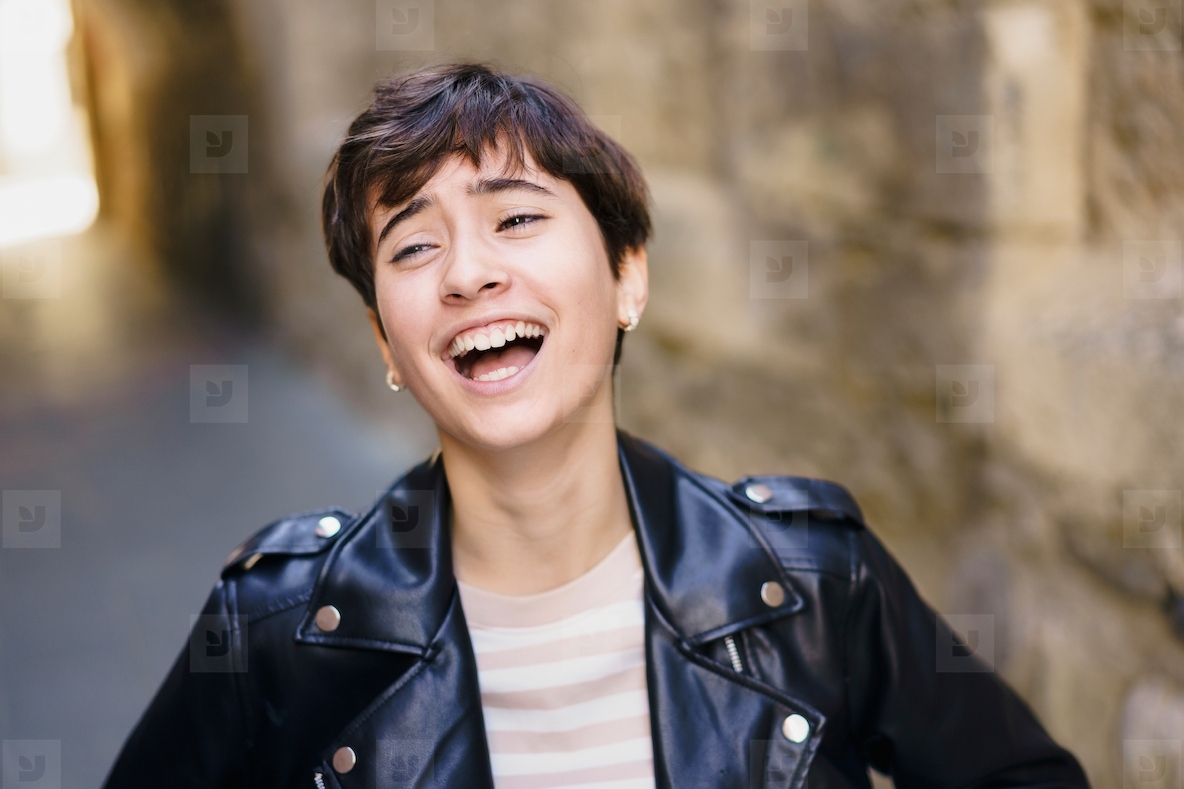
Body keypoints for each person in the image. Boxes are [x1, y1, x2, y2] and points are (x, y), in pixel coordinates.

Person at [102, 62, 1090, 789]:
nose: (467, 272)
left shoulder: (814, 585)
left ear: (627, 275)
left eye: (516, 219)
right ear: (385, 345)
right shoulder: (277, 631)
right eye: (412, 246)